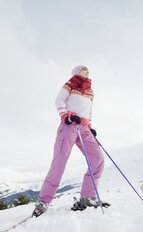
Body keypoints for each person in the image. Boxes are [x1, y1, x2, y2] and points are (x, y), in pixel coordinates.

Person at [32, 65, 108, 217]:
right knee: (59, 162)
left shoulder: (90, 91)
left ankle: (87, 197)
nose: (86, 73)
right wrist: (65, 115)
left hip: (84, 128)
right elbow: (59, 100)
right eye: (83, 71)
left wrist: (90, 126)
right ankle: (43, 201)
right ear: (76, 72)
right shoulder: (70, 84)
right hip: (69, 125)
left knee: (98, 159)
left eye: (87, 71)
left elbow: (89, 110)